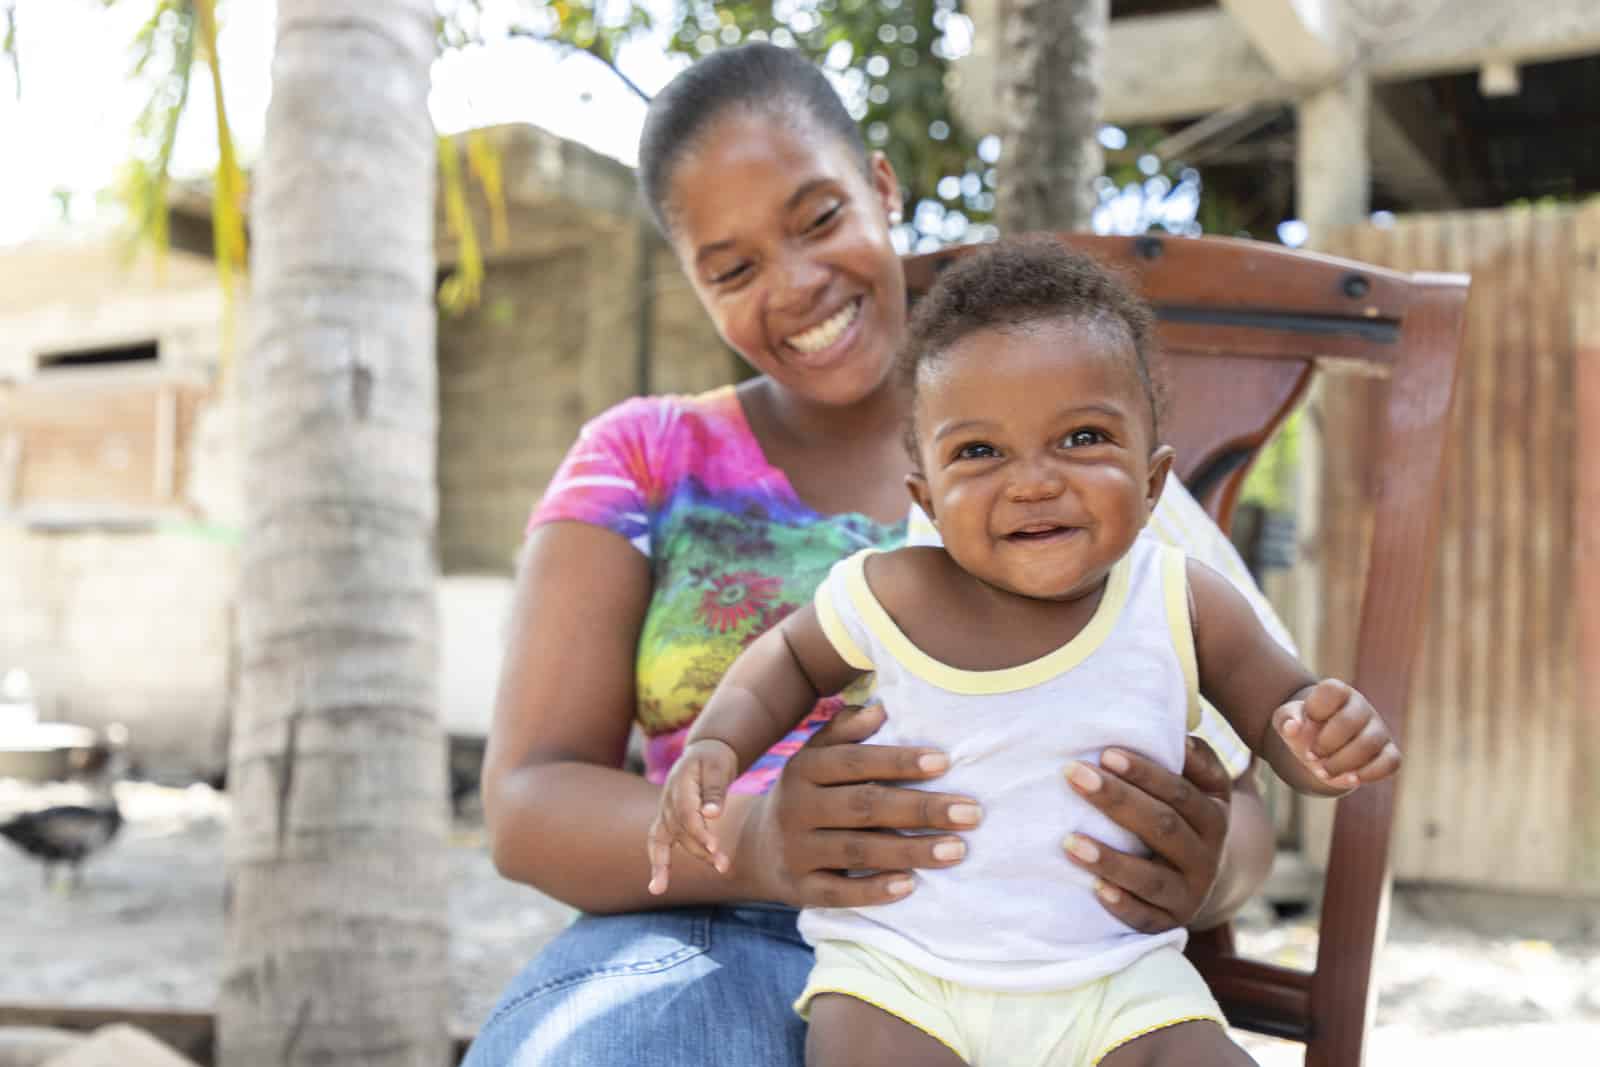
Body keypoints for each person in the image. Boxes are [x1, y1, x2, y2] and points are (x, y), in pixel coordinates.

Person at [463, 42, 1288, 1067]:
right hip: (708, 935)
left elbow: (1242, 799)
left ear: (880, 189)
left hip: (1059, 965)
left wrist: (1201, 869)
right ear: (693, 283)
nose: (799, 284)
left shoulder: (1073, 464)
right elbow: (530, 801)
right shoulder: (644, 456)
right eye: (733, 267)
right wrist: (762, 840)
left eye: (819, 219)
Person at [646, 238, 1400, 1067]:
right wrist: (719, 742)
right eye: (979, 451)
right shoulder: (890, 593)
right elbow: (786, 659)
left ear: (1152, 485)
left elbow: (1279, 711)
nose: (1032, 481)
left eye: (1081, 437)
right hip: (905, 977)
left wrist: (1319, 738)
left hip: (1120, 982)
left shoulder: (1179, 598)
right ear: (926, 499)